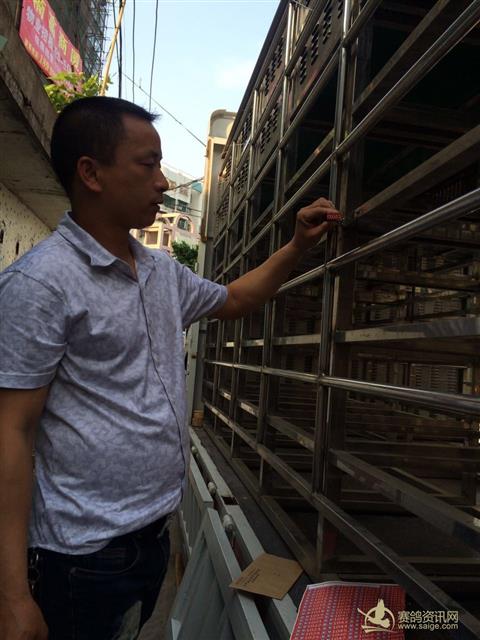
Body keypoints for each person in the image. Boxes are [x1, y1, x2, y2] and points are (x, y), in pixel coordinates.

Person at [0, 97, 342, 640]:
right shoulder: (41, 284)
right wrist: (13, 595)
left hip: (152, 538)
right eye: (148, 164)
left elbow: (234, 298)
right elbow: (10, 433)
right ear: (91, 173)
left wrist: (298, 245)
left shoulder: (161, 271)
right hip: (81, 558)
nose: (162, 182)